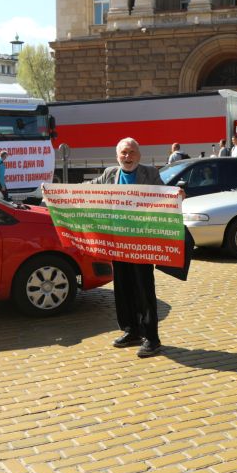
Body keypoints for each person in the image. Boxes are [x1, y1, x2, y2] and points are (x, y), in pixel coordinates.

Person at [90, 138, 169, 358]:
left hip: (142, 242)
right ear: (117, 156)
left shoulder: (150, 174)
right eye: (124, 153)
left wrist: (177, 195)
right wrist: (55, 191)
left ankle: (151, 338)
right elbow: (87, 190)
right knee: (123, 288)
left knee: (144, 289)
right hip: (117, 242)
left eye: (132, 152)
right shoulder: (109, 174)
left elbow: (164, 194)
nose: (128, 156)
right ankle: (131, 330)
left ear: (139, 155)